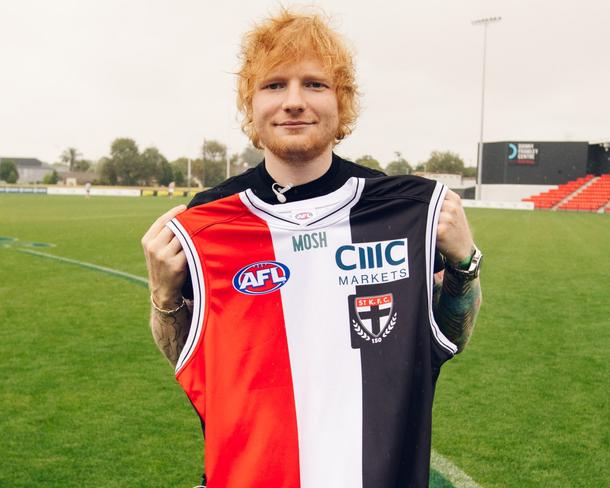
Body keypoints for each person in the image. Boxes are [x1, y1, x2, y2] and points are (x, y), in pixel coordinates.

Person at [142, 9, 482, 488]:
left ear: (341, 104)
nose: (294, 102)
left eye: (315, 85)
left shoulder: (398, 212)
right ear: (251, 105)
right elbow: (192, 362)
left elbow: (446, 340)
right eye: (275, 85)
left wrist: (465, 264)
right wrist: (164, 295)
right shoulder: (209, 220)